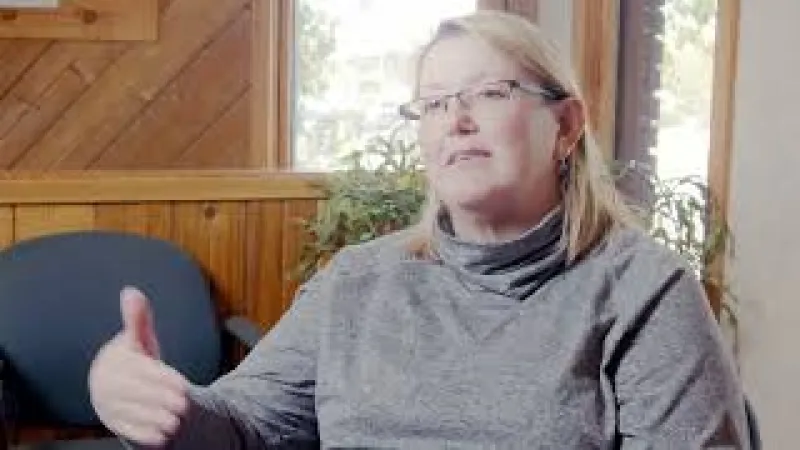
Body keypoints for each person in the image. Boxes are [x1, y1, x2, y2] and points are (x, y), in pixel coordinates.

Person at [88, 10, 750, 449]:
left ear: (567, 128)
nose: (455, 120)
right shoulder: (357, 281)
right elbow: (243, 424)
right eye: (433, 104)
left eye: (489, 93)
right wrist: (155, 406)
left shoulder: (645, 292)